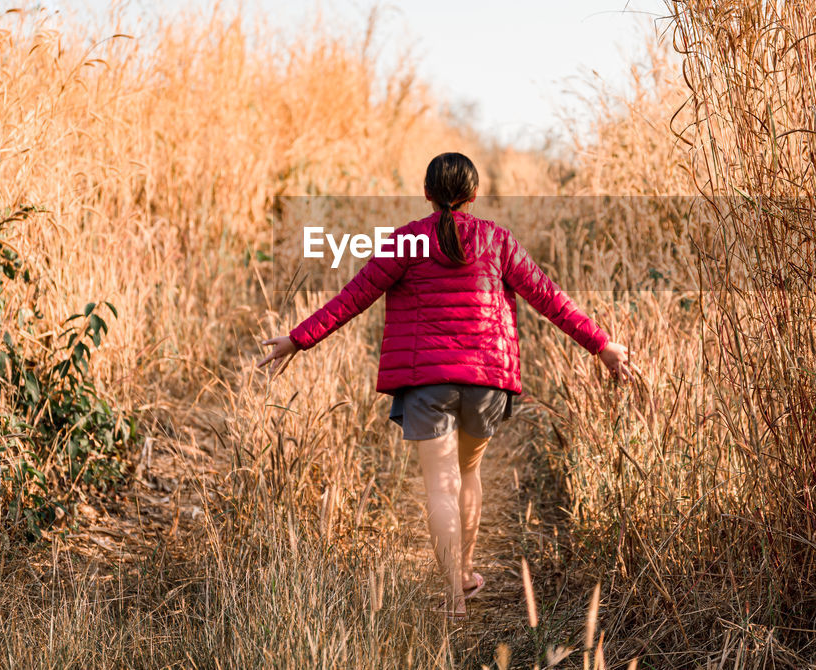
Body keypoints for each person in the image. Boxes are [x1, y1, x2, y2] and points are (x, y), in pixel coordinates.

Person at [258, 152, 630, 619]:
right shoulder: (497, 241)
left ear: (427, 193)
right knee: (468, 475)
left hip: (425, 382)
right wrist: (603, 346)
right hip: (487, 378)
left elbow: (352, 298)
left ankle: (454, 596)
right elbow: (549, 298)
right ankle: (467, 570)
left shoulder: (407, 243)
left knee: (439, 486)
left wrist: (297, 340)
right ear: (474, 196)